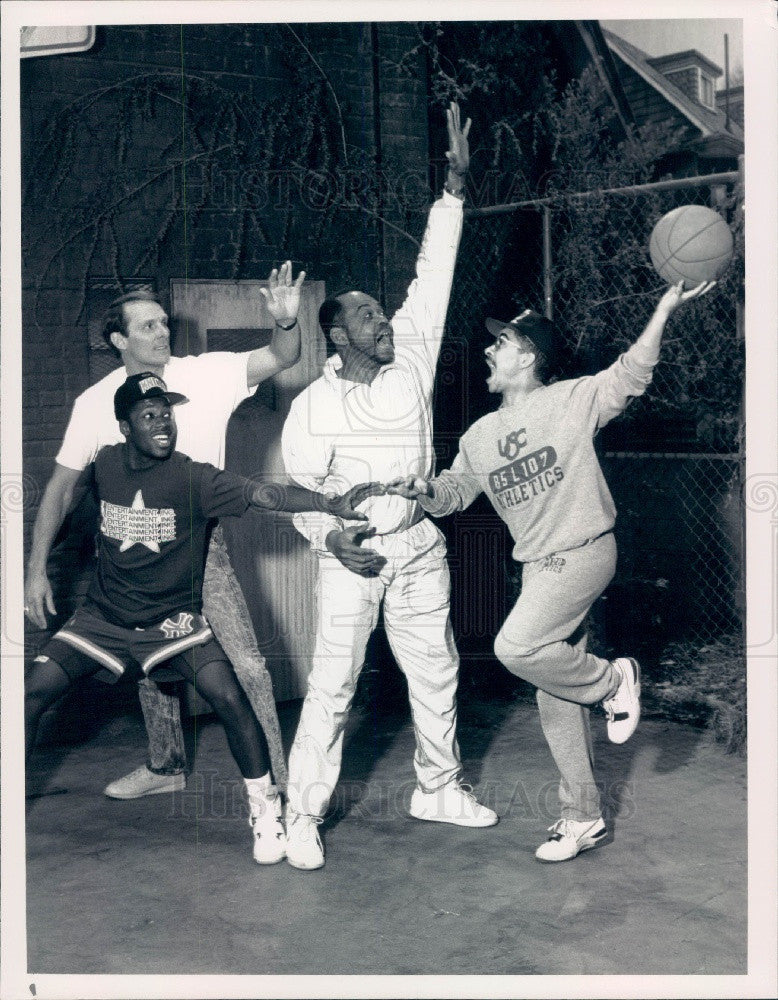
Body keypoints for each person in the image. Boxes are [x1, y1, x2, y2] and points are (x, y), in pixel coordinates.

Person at [388, 280, 715, 862]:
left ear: (530, 356)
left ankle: (615, 680)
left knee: (516, 646)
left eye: (502, 342)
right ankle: (582, 816)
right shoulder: (479, 436)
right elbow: (455, 493)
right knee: (552, 693)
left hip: (586, 550)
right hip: (539, 568)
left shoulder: (571, 399)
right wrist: (424, 490)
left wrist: (662, 308)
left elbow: (631, 373)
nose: (489, 351)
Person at [25, 373, 380, 863]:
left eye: (167, 413)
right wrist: (38, 570)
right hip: (102, 619)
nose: (163, 423)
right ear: (124, 428)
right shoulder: (105, 464)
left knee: (230, 695)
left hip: (170, 623)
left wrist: (325, 502)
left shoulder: (193, 477)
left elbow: (265, 496)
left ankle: (265, 813)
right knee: (31, 694)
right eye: (149, 416)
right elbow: (74, 511)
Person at [280, 102, 498, 871]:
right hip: (352, 560)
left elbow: (433, 268)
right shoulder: (312, 406)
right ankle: (301, 815)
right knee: (333, 687)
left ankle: (438, 787)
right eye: (368, 314)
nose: (384, 320)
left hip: (418, 549)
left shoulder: (411, 360)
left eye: (382, 311)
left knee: (437, 669)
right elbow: (302, 493)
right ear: (336, 334)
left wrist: (456, 182)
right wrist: (328, 538)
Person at [24, 263, 305, 798]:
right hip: (131, 541)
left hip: (203, 542)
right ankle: (167, 766)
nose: (163, 331)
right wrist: (35, 570)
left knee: (244, 663)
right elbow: (60, 489)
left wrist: (286, 322)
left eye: (162, 322)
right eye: (148, 325)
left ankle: (281, 784)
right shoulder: (95, 403)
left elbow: (281, 357)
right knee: (150, 661)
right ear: (118, 339)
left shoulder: (206, 373)